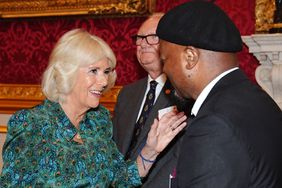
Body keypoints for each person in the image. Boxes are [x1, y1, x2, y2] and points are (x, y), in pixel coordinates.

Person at [0, 28, 188, 187]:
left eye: (106, 72)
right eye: (94, 71)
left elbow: (119, 179)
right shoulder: (30, 124)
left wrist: (151, 149)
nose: (104, 81)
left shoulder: (99, 121)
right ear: (68, 72)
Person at [156, 1, 282, 187]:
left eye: (165, 60)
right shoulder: (259, 100)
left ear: (190, 57)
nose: (164, 69)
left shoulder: (213, 126)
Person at [112, 13, 192, 187]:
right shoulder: (127, 93)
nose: (143, 44)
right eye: (139, 38)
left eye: (153, 37)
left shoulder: (186, 93)